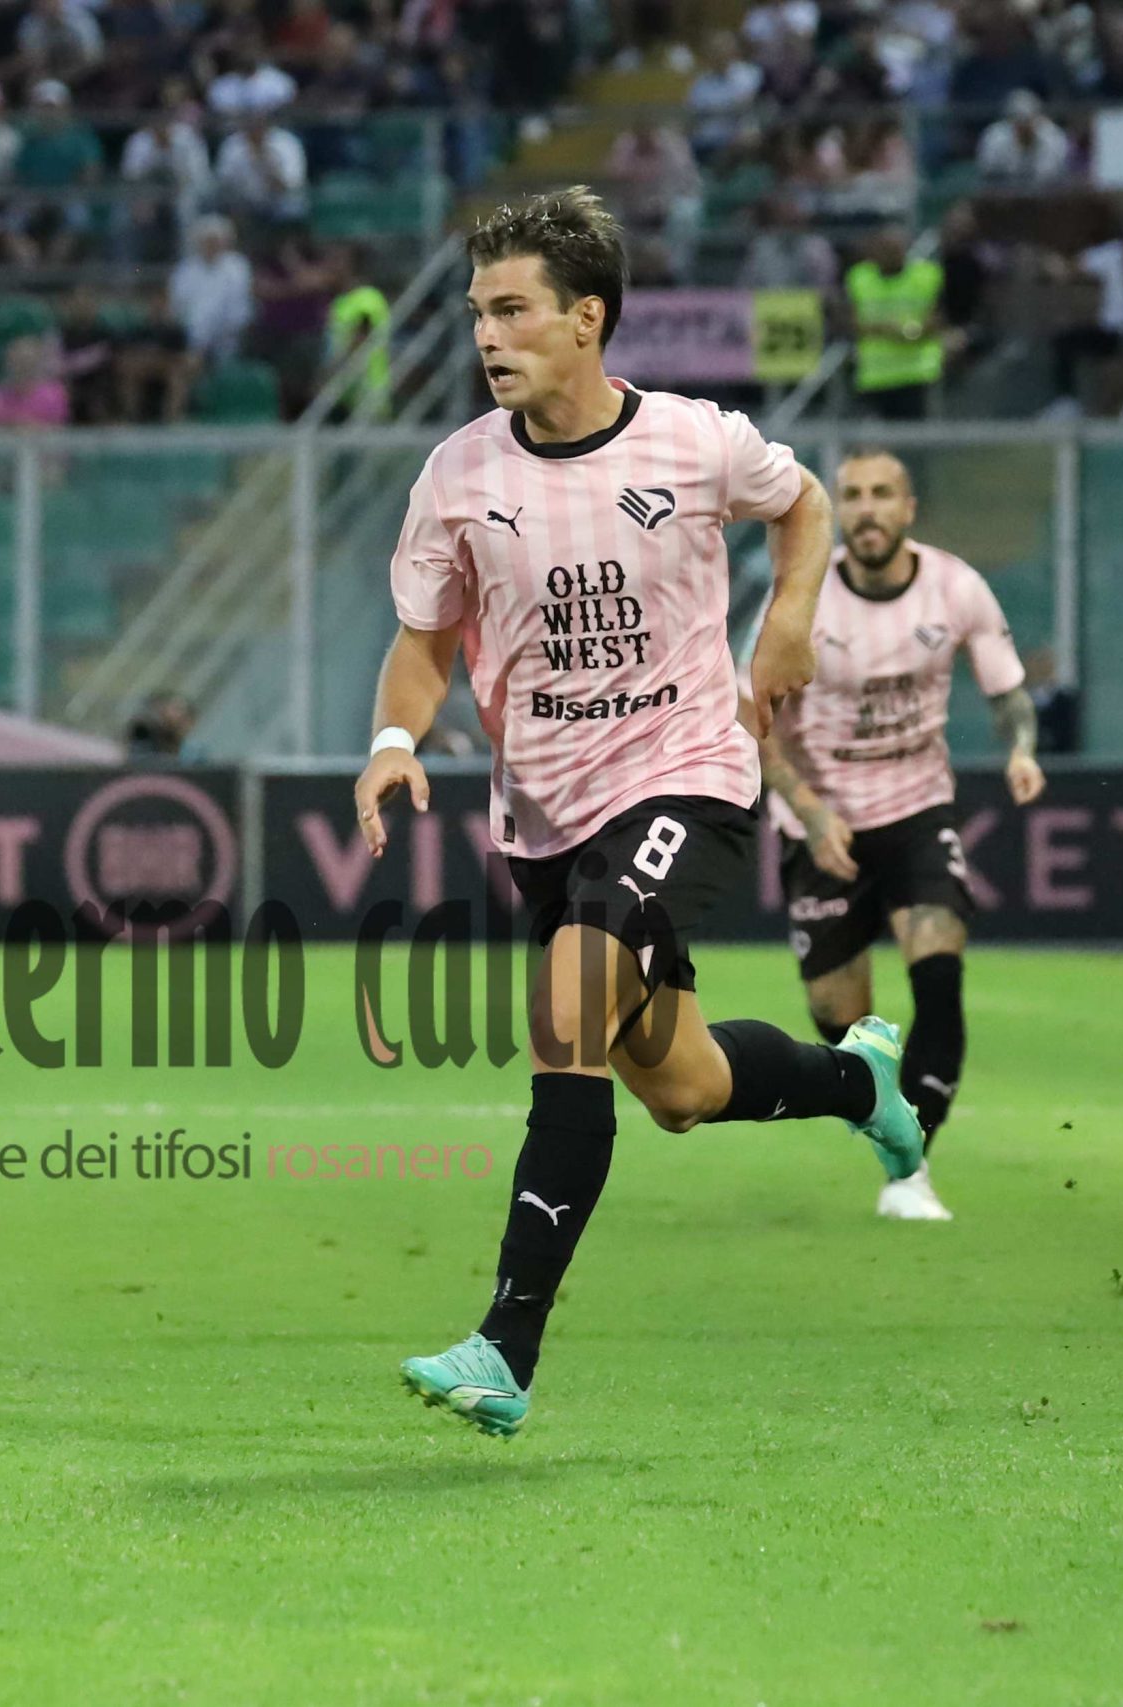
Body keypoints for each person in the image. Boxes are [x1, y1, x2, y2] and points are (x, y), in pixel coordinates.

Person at [361, 188, 924, 1441]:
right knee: (679, 1085)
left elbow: (805, 503)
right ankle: (858, 1081)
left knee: (565, 1012)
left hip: (686, 775)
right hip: (545, 816)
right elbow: (423, 642)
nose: (487, 335)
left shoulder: (693, 442)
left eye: (512, 311)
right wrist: (394, 741)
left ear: (586, 319)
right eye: (477, 313)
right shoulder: (456, 475)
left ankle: (504, 1347)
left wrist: (786, 622)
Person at [747, 450, 1042, 1221]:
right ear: (838, 510)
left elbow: (1009, 693)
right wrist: (812, 813)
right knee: (840, 1022)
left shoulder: (956, 587)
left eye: (883, 494)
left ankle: (912, 1170)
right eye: (852, 495)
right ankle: (882, 1112)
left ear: (909, 508)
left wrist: (1021, 748)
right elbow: (755, 725)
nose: (867, 508)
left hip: (917, 808)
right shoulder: (802, 598)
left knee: (939, 972)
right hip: (822, 820)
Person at [844, 224, 944, 421]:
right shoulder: (859, 277)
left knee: (914, 435)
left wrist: (906, 331)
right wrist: (892, 329)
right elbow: (852, 321)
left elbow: (937, 318)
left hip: (917, 374)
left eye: (894, 249)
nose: (889, 255)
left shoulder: (927, 275)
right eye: (883, 249)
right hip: (874, 376)